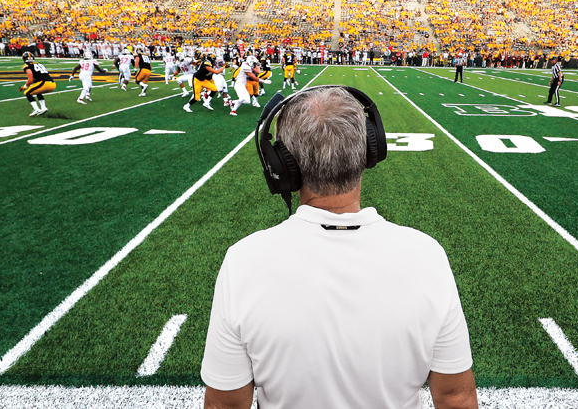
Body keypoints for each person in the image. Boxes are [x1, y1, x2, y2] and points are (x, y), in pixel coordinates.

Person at [201, 86, 476, 409]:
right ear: (369, 151)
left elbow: (226, 404)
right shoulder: (427, 255)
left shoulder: (244, 261)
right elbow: (455, 397)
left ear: (283, 167)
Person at [20, 51, 55, 116]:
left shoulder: (26, 65)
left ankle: (36, 109)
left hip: (45, 83)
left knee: (27, 93)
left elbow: (31, 79)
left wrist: (24, 86)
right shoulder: (39, 64)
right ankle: (43, 108)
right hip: (52, 83)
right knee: (37, 91)